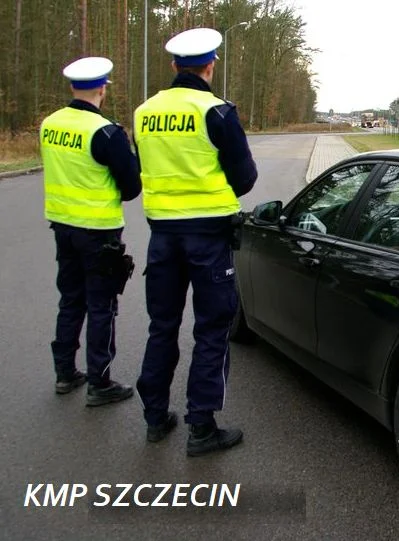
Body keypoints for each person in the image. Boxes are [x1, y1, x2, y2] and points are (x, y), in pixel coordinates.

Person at [134, 28, 257, 456]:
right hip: (208, 239)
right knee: (211, 329)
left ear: (173, 66)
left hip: (162, 238)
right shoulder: (217, 112)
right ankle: (201, 428)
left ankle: (154, 418)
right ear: (211, 64)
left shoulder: (143, 112)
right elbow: (245, 178)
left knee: (161, 327)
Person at [42, 57, 141, 406]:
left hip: (62, 227)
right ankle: (100, 382)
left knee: (70, 300)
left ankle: (65, 373)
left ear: (72, 87)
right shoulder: (106, 132)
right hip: (99, 232)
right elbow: (131, 188)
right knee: (102, 305)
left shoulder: (50, 124)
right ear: (102, 88)